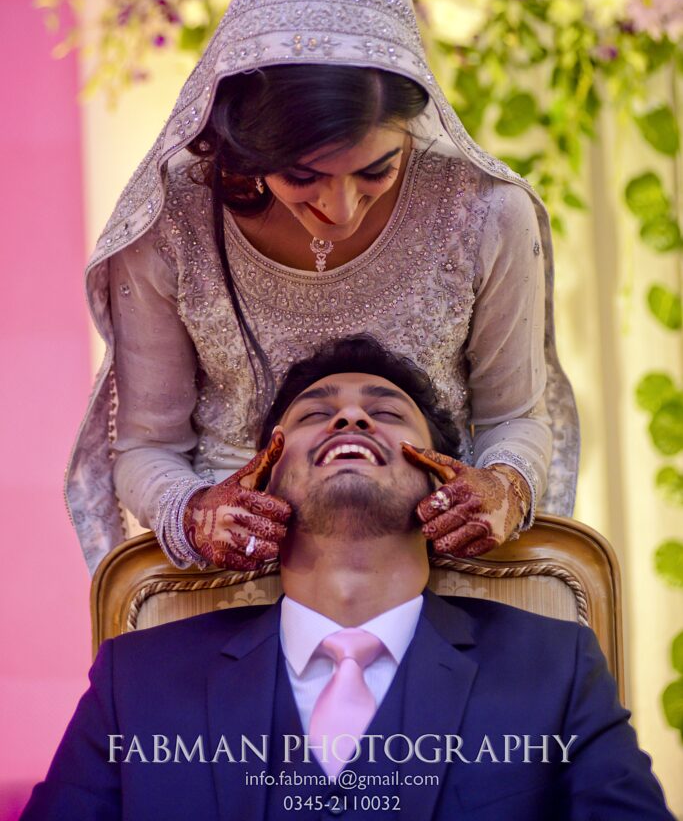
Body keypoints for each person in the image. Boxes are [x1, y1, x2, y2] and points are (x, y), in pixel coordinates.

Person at [66, 0, 579, 576]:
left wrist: (503, 489)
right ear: (246, 147)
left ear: (413, 127)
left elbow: (515, 417)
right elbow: (148, 447)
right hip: (232, 577)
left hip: (431, 563)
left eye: (376, 171)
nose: (339, 209)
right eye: (302, 176)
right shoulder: (174, 220)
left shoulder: (486, 211)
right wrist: (197, 514)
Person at [24, 338, 672, 820]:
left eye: (386, 413)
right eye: (315, 414)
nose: (351, 419)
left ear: (442, 480)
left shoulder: (554, 667)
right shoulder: (137, 680)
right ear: (264, 479)